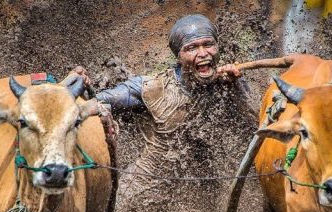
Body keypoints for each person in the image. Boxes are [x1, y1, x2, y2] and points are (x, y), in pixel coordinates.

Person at [75, 14, 254, 199]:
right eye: (191, 48)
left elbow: (257, 124)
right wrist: (76, 95)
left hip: (202, 187)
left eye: (208, 44)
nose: (202, 53)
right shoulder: (152, 88)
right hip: (145, 186)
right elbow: (97, 102)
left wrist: (237, 86)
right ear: (178, 56)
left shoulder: (229, 83)